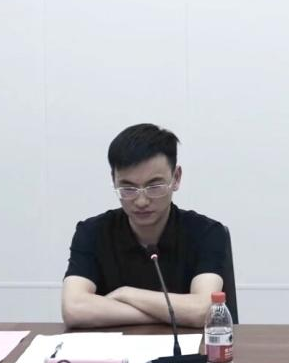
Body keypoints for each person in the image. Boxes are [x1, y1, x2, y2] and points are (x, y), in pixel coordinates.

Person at [61, 123, 235, 328]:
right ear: (113, 180)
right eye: (128, 188)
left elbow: (203, 310)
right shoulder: (92, 232)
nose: (141, 201)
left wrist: (125, 294)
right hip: (112, 348)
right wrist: (171, 314)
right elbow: (73, 308)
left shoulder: (206, 233)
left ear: (176, 178)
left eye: (154, 186)